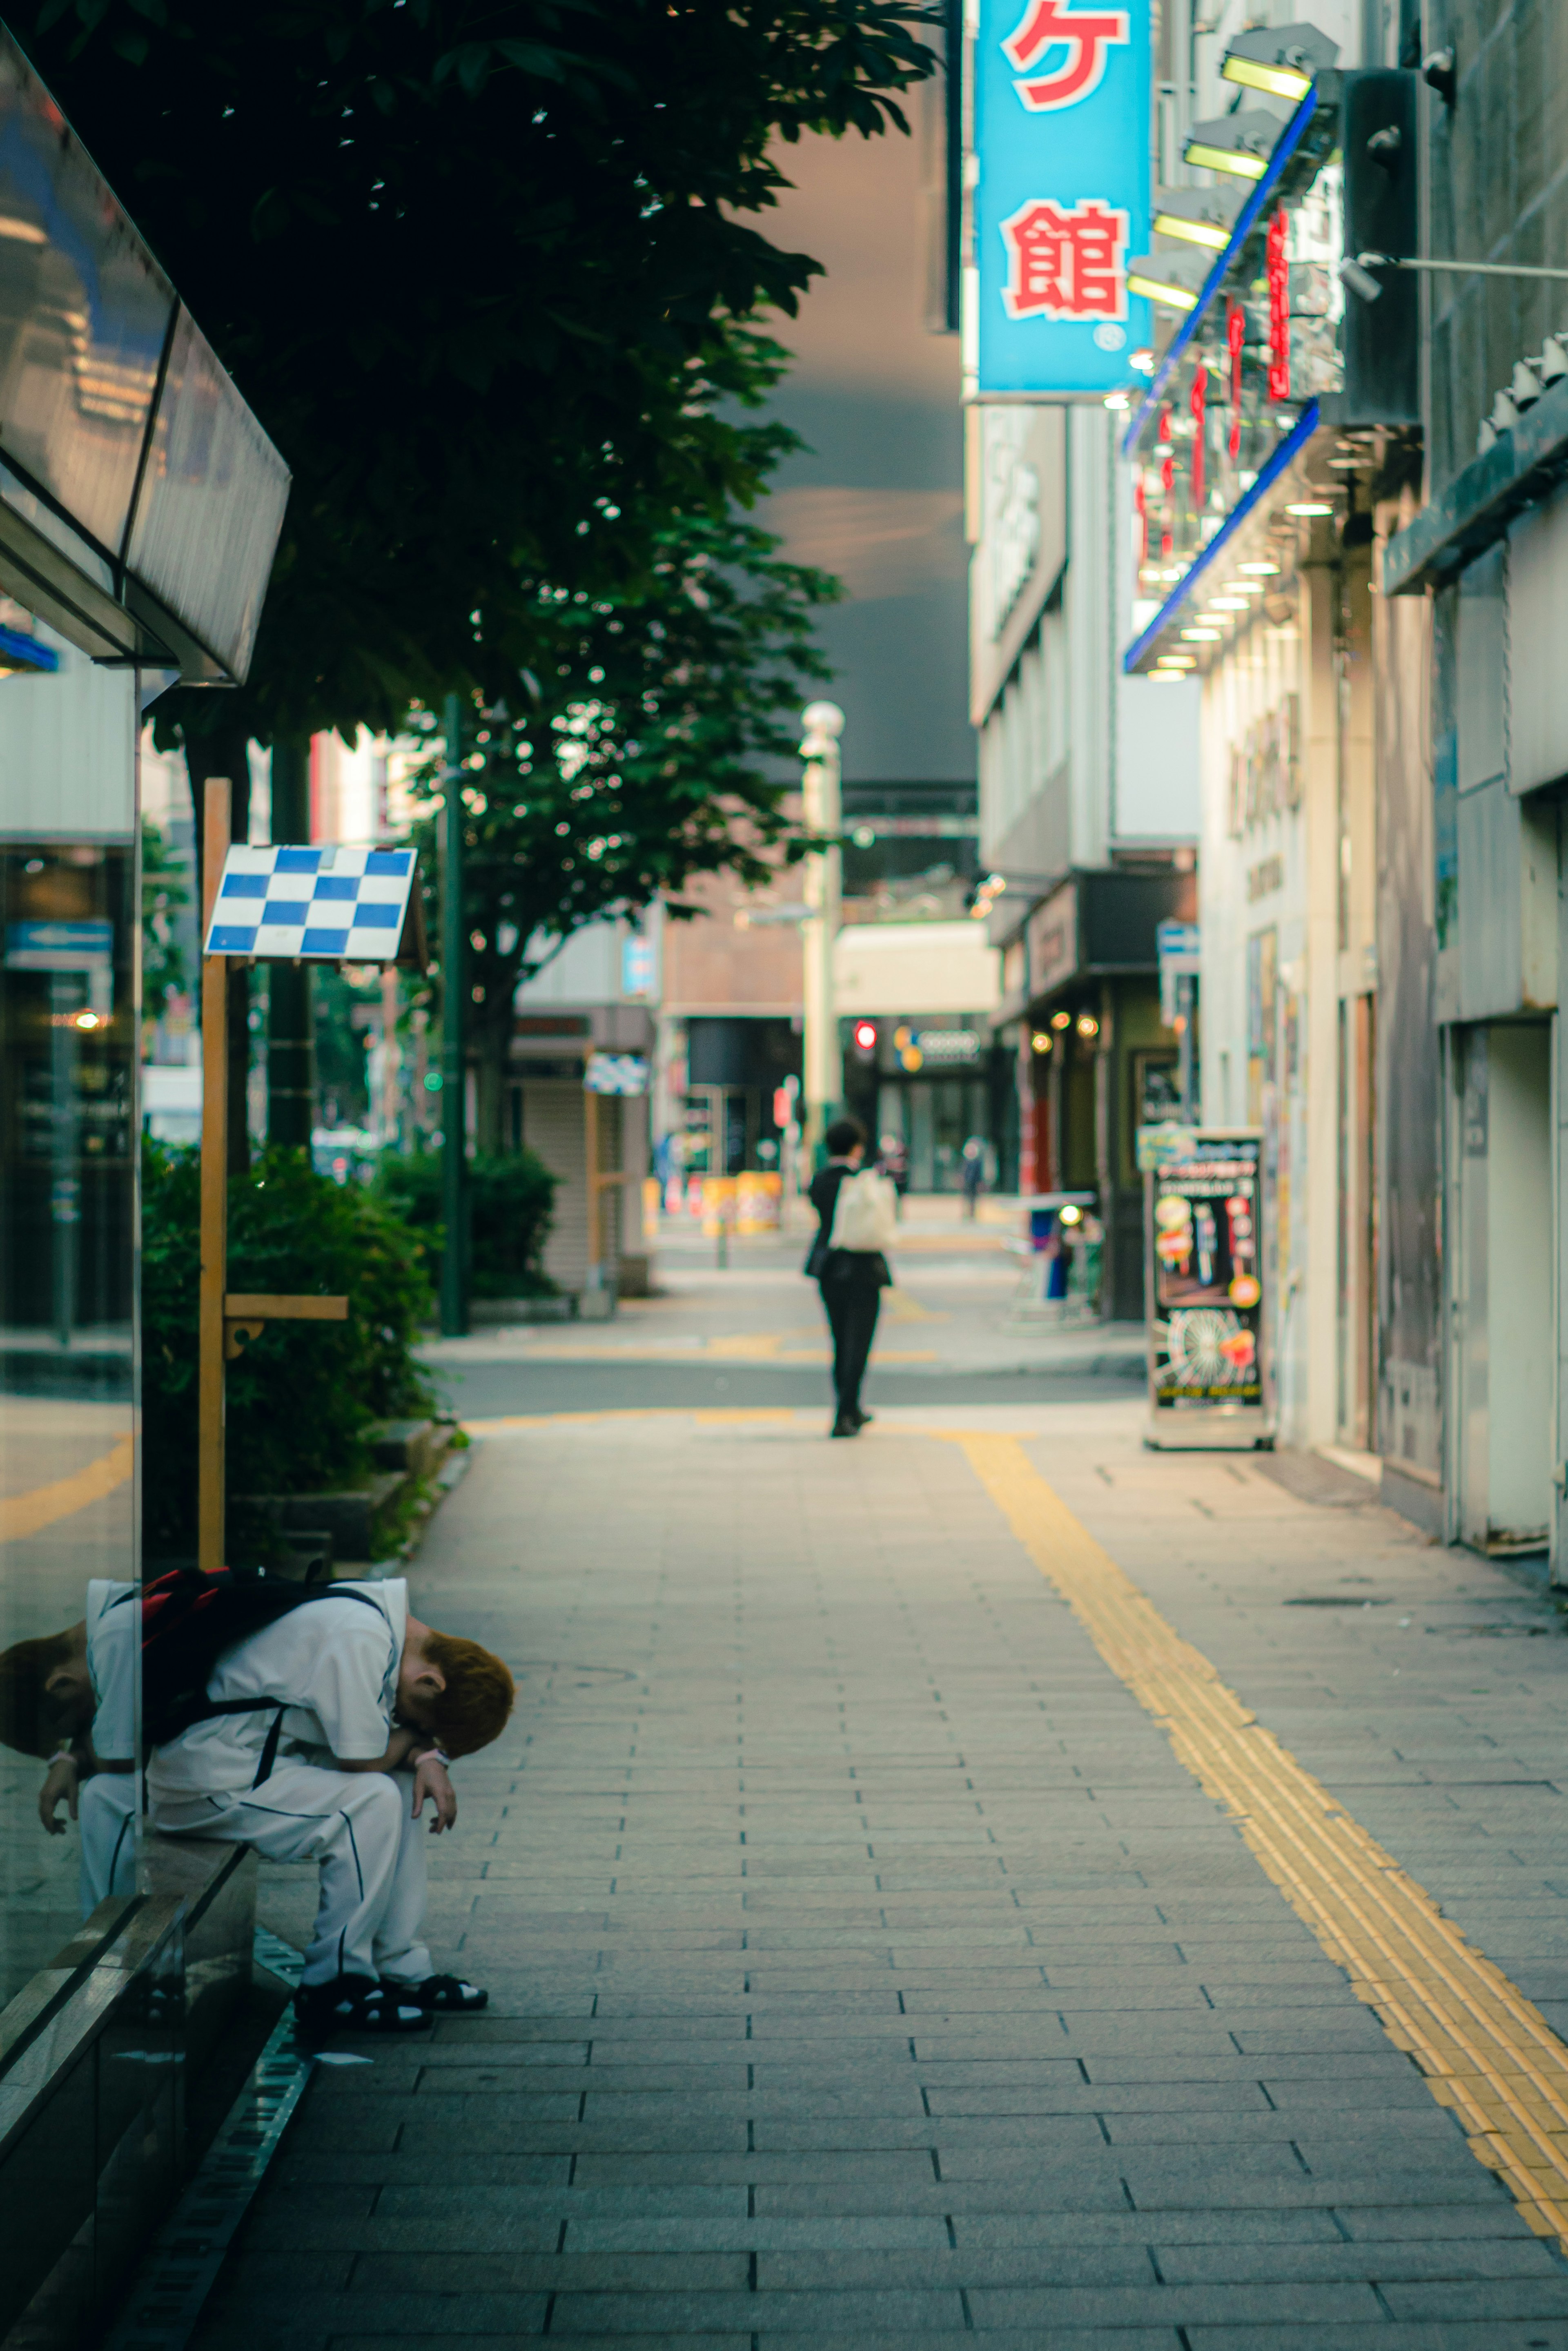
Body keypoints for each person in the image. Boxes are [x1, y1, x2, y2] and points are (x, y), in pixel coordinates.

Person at [147, 1578, 514, 2039]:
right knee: (369, 1800)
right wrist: (424, 1751)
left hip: (254, 1767)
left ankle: (398, 1965)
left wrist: (423, 1757)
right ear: (431, 1681)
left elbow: (380, 1751)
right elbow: (360, 1758)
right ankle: (334, 1983)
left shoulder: (374, 1618)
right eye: (419, 1722)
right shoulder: (360, 1634)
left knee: (399, 1784)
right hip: (207, 1786)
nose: (409, 1726)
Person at [0, 1581, 138, 1914]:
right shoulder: (113, 1621)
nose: (87, 1729)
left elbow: (118, 1761)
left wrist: (71, 1760)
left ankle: (106, 1945)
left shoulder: (116, 1636)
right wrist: (69, 1757)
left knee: (103, 1795)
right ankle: (106, 1941)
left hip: (268, 1736)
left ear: (61, 1683)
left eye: (78, 1725)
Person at [806, 1114, 892, 1439]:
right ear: (858, 1147)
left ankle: (849, 1407)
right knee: (860, 1343)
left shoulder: (821, 1180)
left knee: (840, 1340)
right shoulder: (863, 1182)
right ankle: (845, 1412)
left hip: (828, 1268)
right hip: (864, 1269)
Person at [961, 1135, 986, 1219]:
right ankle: (965, 1214)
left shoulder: (977, 1163)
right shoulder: (966, 1162)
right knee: (966, 1200)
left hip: (974, 1183)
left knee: (973, 1200)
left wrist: (980, 1183)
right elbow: (963, 1173)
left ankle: (972, 1215)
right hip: (967, 1182)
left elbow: (979, 1175)